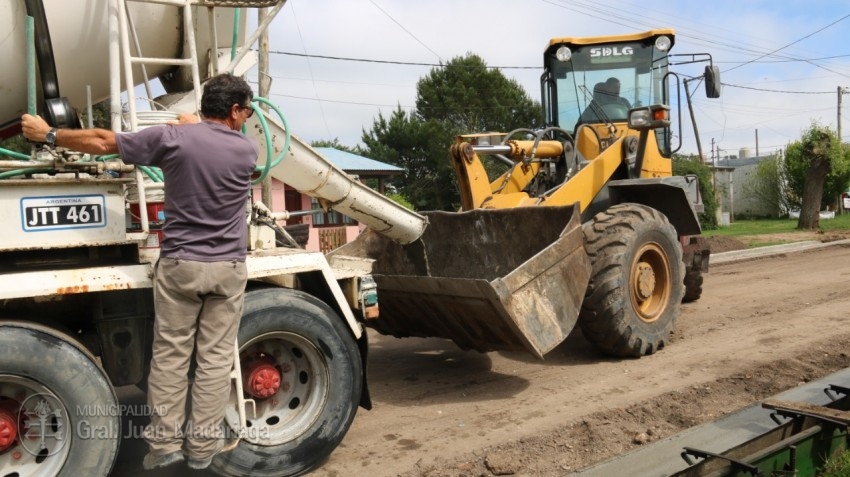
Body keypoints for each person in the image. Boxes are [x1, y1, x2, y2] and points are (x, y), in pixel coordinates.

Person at [20, 73, 259, 471]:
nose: (246, 118)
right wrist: (198, 128)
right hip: (228, 268)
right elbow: (217, 141)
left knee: (171, 357)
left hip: (182, 265)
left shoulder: (173, 138)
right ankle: (202, 450)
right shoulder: (248, 150)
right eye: (246, 112)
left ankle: (164, 447)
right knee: (215, 362)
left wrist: (48, 134)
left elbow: (102, 142)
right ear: (234, 110)